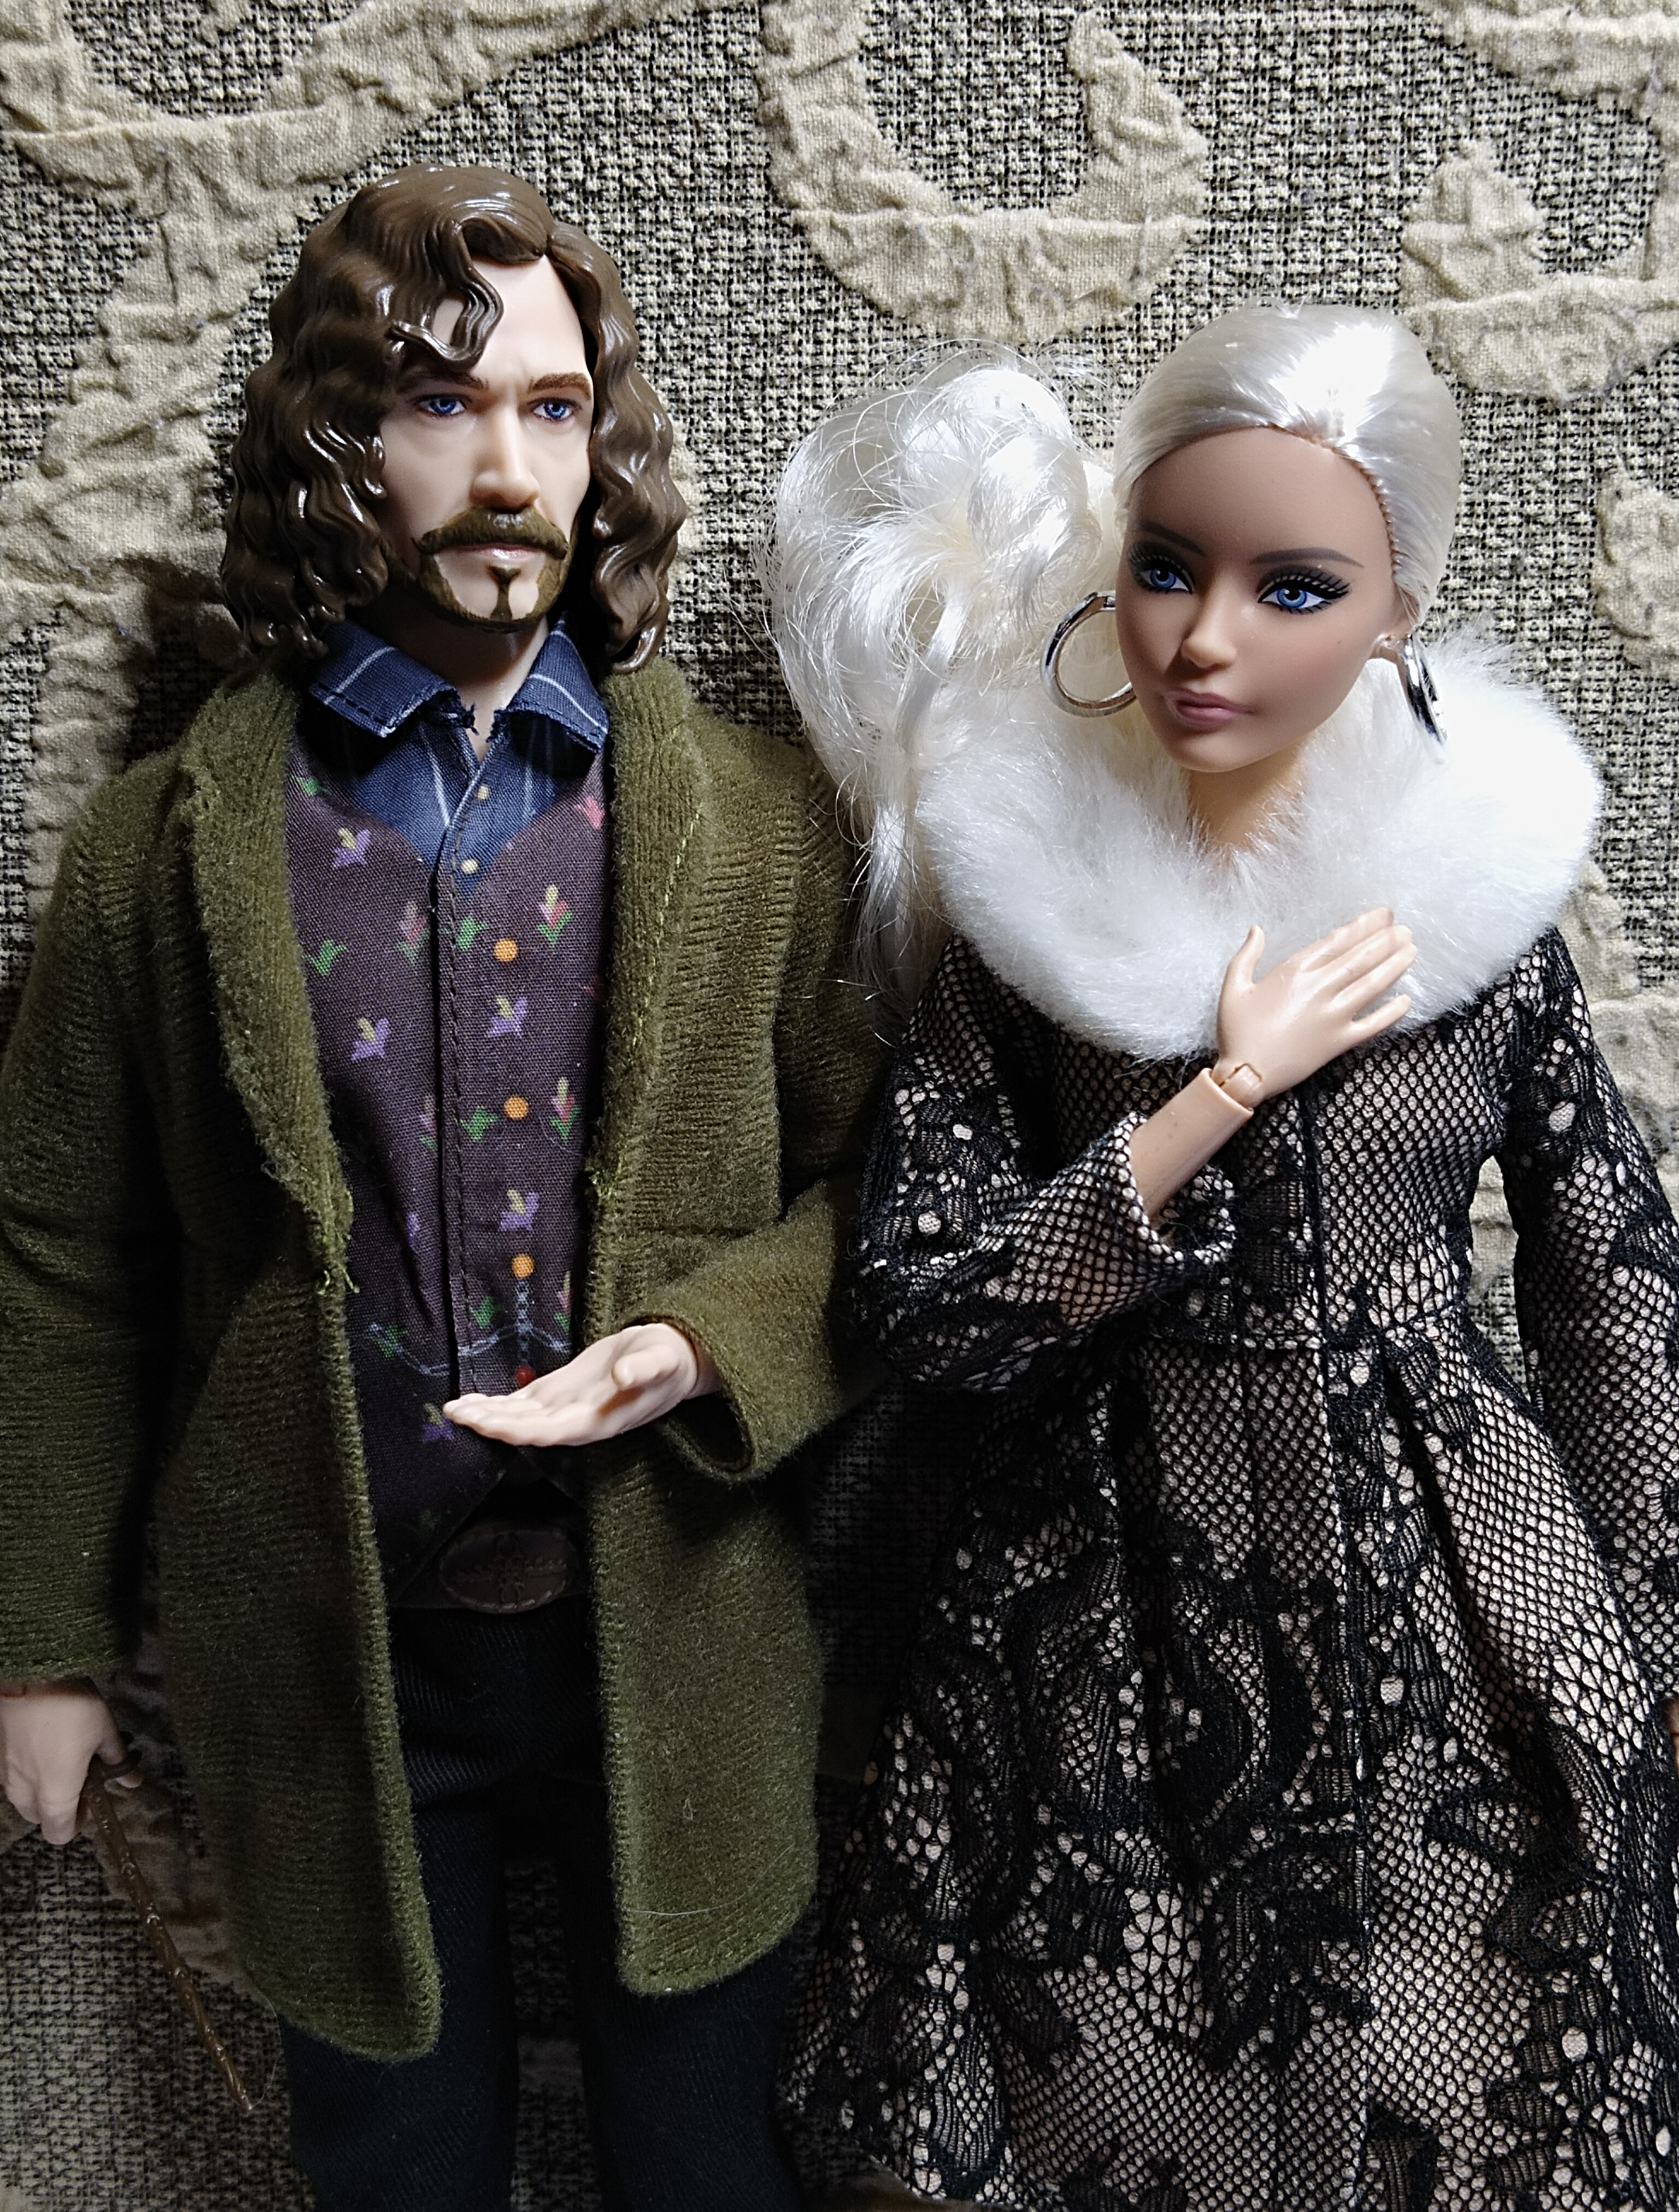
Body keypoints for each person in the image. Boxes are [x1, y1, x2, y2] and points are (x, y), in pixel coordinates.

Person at [0, 163, 880, 2212]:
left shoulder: (756, 827)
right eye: (439, 403)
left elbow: (880, 1196)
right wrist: (43, 1641)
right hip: (335, 1642)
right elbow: (61, 1256)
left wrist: (707, 1343)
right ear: (340, 443)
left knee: (709, 2145)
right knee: (390, 2147)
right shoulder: (168, 849)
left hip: (680, 1608)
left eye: (554, 410)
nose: (506, 469)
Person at [764, 313, 1679, 2209]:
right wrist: (1216, 1093)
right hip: (1100, 1586)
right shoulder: (1029, 923)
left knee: (1479, 2059)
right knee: (1098, 2070)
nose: (1206, 638)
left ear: (1402, 612)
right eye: (1170, 567)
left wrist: (1653, 1618)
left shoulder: (1477, 921)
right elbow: (927, 1302)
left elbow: (1612, 1283)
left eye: (1297, 588)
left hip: (1451, 1572)